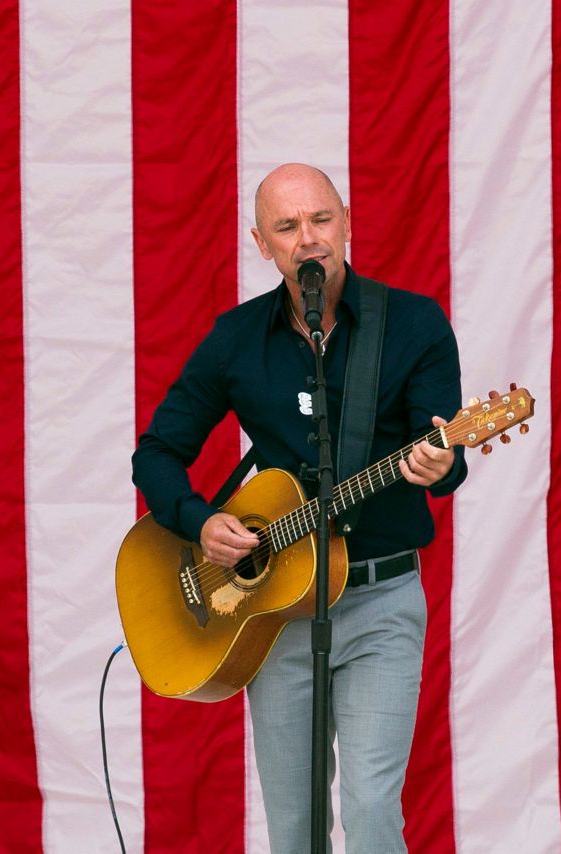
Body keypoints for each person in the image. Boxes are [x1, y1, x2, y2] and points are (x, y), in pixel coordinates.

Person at [131, 163, 466, 853]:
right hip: (279, 613)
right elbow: (156, 453)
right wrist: (201, 523)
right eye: (287, 227)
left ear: (346, 221)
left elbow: (446, 459)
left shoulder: (412, 324)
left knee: (371, 809)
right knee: (295, 825)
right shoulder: (237, 339)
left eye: (320, 220)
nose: (308, 239)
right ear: (262, 243)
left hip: (380, 601)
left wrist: (443, 459)